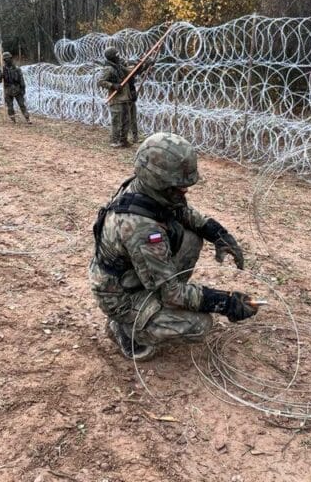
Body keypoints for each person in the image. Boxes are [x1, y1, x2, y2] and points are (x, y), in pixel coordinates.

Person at [89, 132, 259, 361]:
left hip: (134, 274)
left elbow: (181, 212)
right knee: (199, 325)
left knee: (191, 238)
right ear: (160, 182)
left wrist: (218, 234)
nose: (185, 190)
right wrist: (224, 302)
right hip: (121, 296)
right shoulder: (142, 229)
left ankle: (159, 302)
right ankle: (125, 328)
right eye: (178, 185)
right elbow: (173, 294)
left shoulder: (148, 190)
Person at [97, 46, 135, 148]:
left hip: (125, 97)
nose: (118, 57)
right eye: (116, 55)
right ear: (112, 57)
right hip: (116, 99)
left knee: (126, 121)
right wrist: (113, 85)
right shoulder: (108, 68)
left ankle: (123, 140)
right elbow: (100, 81)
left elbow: (130, 72)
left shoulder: (119, 66)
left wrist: (142, 65)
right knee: (116, 121)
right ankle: (114, 141)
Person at [0, 51, 31, 124]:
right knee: (10, 106)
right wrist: (0, 75)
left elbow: (21, 80)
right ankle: (13, 119)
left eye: (8, 58)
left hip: (17, 89)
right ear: (4, 60)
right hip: (8, 90)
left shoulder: (17, 69)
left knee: (22, 104)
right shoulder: (2, 69)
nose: (7, 60)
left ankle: (27, 118)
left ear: (11, 58)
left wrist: (23, 89)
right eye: (6, 59)